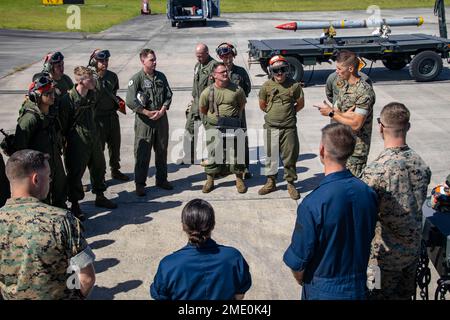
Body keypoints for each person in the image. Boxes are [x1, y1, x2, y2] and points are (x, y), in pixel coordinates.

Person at [283, 123, 378, 300]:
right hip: (359, 287)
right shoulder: (368, 193)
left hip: (323, 289)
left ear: (322, 150)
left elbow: (298, 262)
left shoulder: (313, 203)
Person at [0, 150, 95, 299]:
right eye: (49, 176)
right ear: (36, 179)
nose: (50, 181)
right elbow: (87, 278)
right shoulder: (62, 220)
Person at [361, 102, 431, 300]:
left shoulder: (376, 171)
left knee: (375, 296)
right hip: (411, 255)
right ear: (408, 127)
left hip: (382, 260)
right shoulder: (421, 164)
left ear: (380, 127)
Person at [150, 199, 252, 300]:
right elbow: (239, 295)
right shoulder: (234, 257)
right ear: (213, 225)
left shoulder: (168, 265)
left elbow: (160, 296)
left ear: (183, 226)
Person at [60, 66, 117, 221]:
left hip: (93, 137)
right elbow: (63, 125)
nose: (93, 81)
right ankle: (75, 204)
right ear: (80, 81)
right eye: (89, 79)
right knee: (75, 174)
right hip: (76, 141)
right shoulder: (68, 99)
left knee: (99, 167)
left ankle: (100, 195)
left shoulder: (92, 94)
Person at [316, 50, 376, 177]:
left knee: (352, 186)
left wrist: (332, 113)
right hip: (341, 145)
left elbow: (356, 124)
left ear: (350, 68)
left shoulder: (364, 92)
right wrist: (339, 113)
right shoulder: (345, 87)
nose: (336, 71)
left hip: (356, 150)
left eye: (339, 68)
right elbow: (340, 112)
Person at [14, 74, 67, 209]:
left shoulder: (51, 112)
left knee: (60, 188)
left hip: (54, 158)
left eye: (53, 92)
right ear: (37, 96)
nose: (52, 96)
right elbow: (19, 150)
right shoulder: (29, 119)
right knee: (42, 197)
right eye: (48, 93)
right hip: (38, 166)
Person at [126, 49, 173, 196]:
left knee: (162, 150)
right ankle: (140, 184)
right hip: (144, 122)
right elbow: (130, 100)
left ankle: (162, 179)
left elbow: (168, 94)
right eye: (151, 60)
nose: (155, 62)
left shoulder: (161, 77)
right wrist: (146, 112)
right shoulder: (137, 79)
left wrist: (163, 110)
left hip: (161, 120)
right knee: (142, 153)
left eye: (155, 59)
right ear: (143, 61)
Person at [258, 55, 305, 200]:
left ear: (287, 70)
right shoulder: (266, 86)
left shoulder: (294, 86)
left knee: (290, 156)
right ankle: (271, 182)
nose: (279, 73)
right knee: (270, 155)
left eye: (283, 69)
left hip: (288, 128)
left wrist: (289, 114)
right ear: (271, 71)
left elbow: (300, 104)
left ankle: (290, 183)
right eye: (276, 70)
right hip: (271, 127)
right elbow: (262, 105)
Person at [199, 63, 247, 194]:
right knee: (214, 153)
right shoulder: (207, 92)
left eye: (226, 71)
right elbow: (203, 109)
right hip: (214, 126)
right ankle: (210, 179)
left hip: (232, 125)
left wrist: (231, 118)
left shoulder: (237, 89)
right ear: (214, 75)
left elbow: (241, 105)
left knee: (235, 153)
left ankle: (239, 179)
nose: (225, 74)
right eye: (222, 72)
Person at [89, 49, 129, 181]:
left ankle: (115, 170)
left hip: (112, 116)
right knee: (98, 150)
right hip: (97, 119)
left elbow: (114, 92)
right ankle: (98, 175)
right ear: (95, 62)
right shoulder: (91, 78)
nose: (104, 63)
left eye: (106, 60)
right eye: (101, 61)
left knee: (115, 145)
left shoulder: (112, 76)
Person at [216, 43, 252, 179]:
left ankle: (244, 168)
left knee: (241, 139)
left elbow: (247, 89)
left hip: (239, 111)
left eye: (230, 55)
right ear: (221, 57)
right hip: (223, 111)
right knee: (223, 139)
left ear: (233, 55)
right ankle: (225, 167)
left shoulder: (240, 72)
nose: (228, 59)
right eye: (225, 56)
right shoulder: (217, 71)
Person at [182, 43, 217, 164]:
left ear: (207, 53)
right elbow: (196, 84)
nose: (199, 58)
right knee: (189, 129)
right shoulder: (197, 65)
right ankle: (189, 156)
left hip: (208, 105)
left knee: (210, 132)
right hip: (196, 103)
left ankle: (213, 159)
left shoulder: (214, 66)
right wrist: (193, 100)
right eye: (197, 56)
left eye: (201, 56)